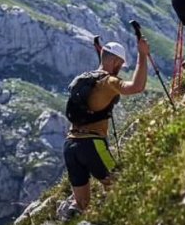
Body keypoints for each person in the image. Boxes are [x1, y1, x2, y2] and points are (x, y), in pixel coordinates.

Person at [62, 37, 149, 212]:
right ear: (116, 61)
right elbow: (136, 87)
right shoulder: (108, 81)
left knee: (82, 204)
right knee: (120, 184)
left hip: (70, 146)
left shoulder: (83, 79)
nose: (119, 70)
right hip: (91, 144)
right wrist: (142, 55)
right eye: (120, 65)